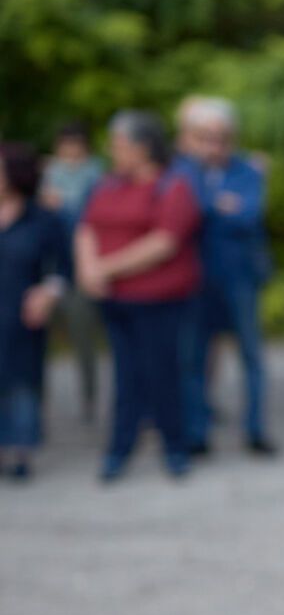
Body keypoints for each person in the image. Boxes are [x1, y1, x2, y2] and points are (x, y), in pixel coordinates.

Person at [75, 111, 203, 481]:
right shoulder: (107, 184)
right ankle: (119, 447)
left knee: (163, 373)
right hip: (116, 300)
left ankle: (175, 446)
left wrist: (106, 268)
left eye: (120, 145)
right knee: (125, 375)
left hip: (158, 299)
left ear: (143, 148)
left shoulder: (172, 186)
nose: (114, 152)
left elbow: (164, 242)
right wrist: (88, 269)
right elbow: (87, 226)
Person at [176, 96, 278, 458]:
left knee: (251, 355)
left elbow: (248, 215)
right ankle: (196, 431)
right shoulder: (185, 170)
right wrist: (219, 202)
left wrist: (212, 204)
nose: (214, 146)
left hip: (240, 277)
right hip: (196, 279)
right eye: (205, 137)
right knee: (194, 358)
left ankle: (255, 429)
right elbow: (189, 211)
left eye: (221, 137)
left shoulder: (247, 171)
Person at [1, 144, 70, 479]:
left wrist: (48, 292)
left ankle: (21, 450)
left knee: (22, 382)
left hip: (21, 312)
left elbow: (63, 267)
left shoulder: (42, 218)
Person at [37, 120, 103, 421]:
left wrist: (61, 206)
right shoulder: (46, 175)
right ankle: (38, 405)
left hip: (81, 268)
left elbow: (90, 220)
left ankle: (89, 399)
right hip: (49, 268)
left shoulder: (97, 175)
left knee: (83, 336)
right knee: (38, 339)